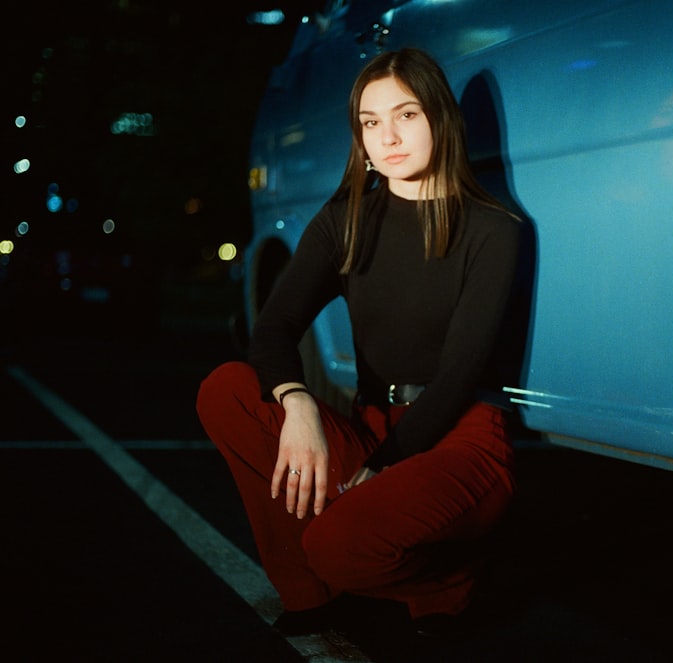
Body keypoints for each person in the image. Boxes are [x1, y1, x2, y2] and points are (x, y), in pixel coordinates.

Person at [196, 48, 521, 637]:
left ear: (440, 119)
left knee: (338, 544)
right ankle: (310, 591)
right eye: (371, 122)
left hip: (460, 439)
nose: (387, 137)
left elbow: (457, 377)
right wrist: (296, 403)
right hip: (371, 424)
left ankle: (444, 583)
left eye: (406, 115)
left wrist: (379, 466)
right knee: (228, 389)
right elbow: (272, 329)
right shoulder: (349, 218)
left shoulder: (492, 229)